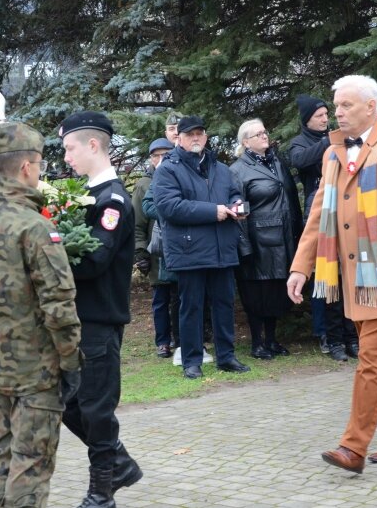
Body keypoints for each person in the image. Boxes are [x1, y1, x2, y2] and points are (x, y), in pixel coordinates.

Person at [287, 75, 377, 474]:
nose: (338, 113)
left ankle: (353, 446)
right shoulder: (333, 153)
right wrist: (301, 266)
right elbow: (319, 214)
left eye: (346, 106)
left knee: (371, 361)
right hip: (355, 276)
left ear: (371, 107)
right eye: (336, 107)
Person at [0, 122, 82, 507]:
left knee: (2, 456)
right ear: (28, 167)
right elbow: (59, 305)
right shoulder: (36, 227)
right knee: (31, 463)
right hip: (36, 373)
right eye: (40, 165)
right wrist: (71, 359)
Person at [59, 111, 142, 508]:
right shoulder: (89, 194)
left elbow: (93, 260)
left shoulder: (112, 200)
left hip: (99, 319)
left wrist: (49, 254)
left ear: (93, 145)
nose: (66, 158)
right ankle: (120, 464)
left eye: (70, 148)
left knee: (95, 407)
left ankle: (102, 492)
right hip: (78, 318)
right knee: (70, 404)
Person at [153, 115, 251, 379]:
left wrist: (238, 206)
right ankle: (191, 360)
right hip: (189, 250)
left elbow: (234, 193)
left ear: (206, 137)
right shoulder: (167, 169)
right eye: (190, 134)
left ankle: (226, 357)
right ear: (179, 138)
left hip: (223, 247)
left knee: (224, 304)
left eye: (200, 133)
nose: (195, 138)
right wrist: (214, 211)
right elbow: (169, 207)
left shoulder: (220, 168)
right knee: (192, 307)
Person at [289, 94, 358, 360]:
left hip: (347, 210)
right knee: (329, 277)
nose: (325, 119)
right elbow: (300, 161)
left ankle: (352, 336)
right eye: (319, 115)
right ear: (307, 119)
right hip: (321, 213)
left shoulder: (343, 138)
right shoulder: (300, 143)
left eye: (325, 114)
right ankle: (333, 338)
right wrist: (329, 143)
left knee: (350, 276)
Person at [230, 118, 303, 359]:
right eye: (258, 134)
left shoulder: (276, 163)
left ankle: (272, 339)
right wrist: (244, 246)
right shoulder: (238, 170)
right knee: (255, 292)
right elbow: (237, 211)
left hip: (283, 238)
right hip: (258, 240)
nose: (264, 136)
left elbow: (291, 199)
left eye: (265, 132)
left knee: (276, 290)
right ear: (245, 142)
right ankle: (257, 342)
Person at [132, 137, 179, 358]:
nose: (160, 159)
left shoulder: (179, 175)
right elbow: (138, 222)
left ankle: (181, 339)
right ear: (151, 159)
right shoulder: (144, 184)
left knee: (181, 298)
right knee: (161, 299)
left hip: (179, 247)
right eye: (156, 155)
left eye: (165, 154)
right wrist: (141, 251)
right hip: (156, 251)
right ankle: (163, 341)